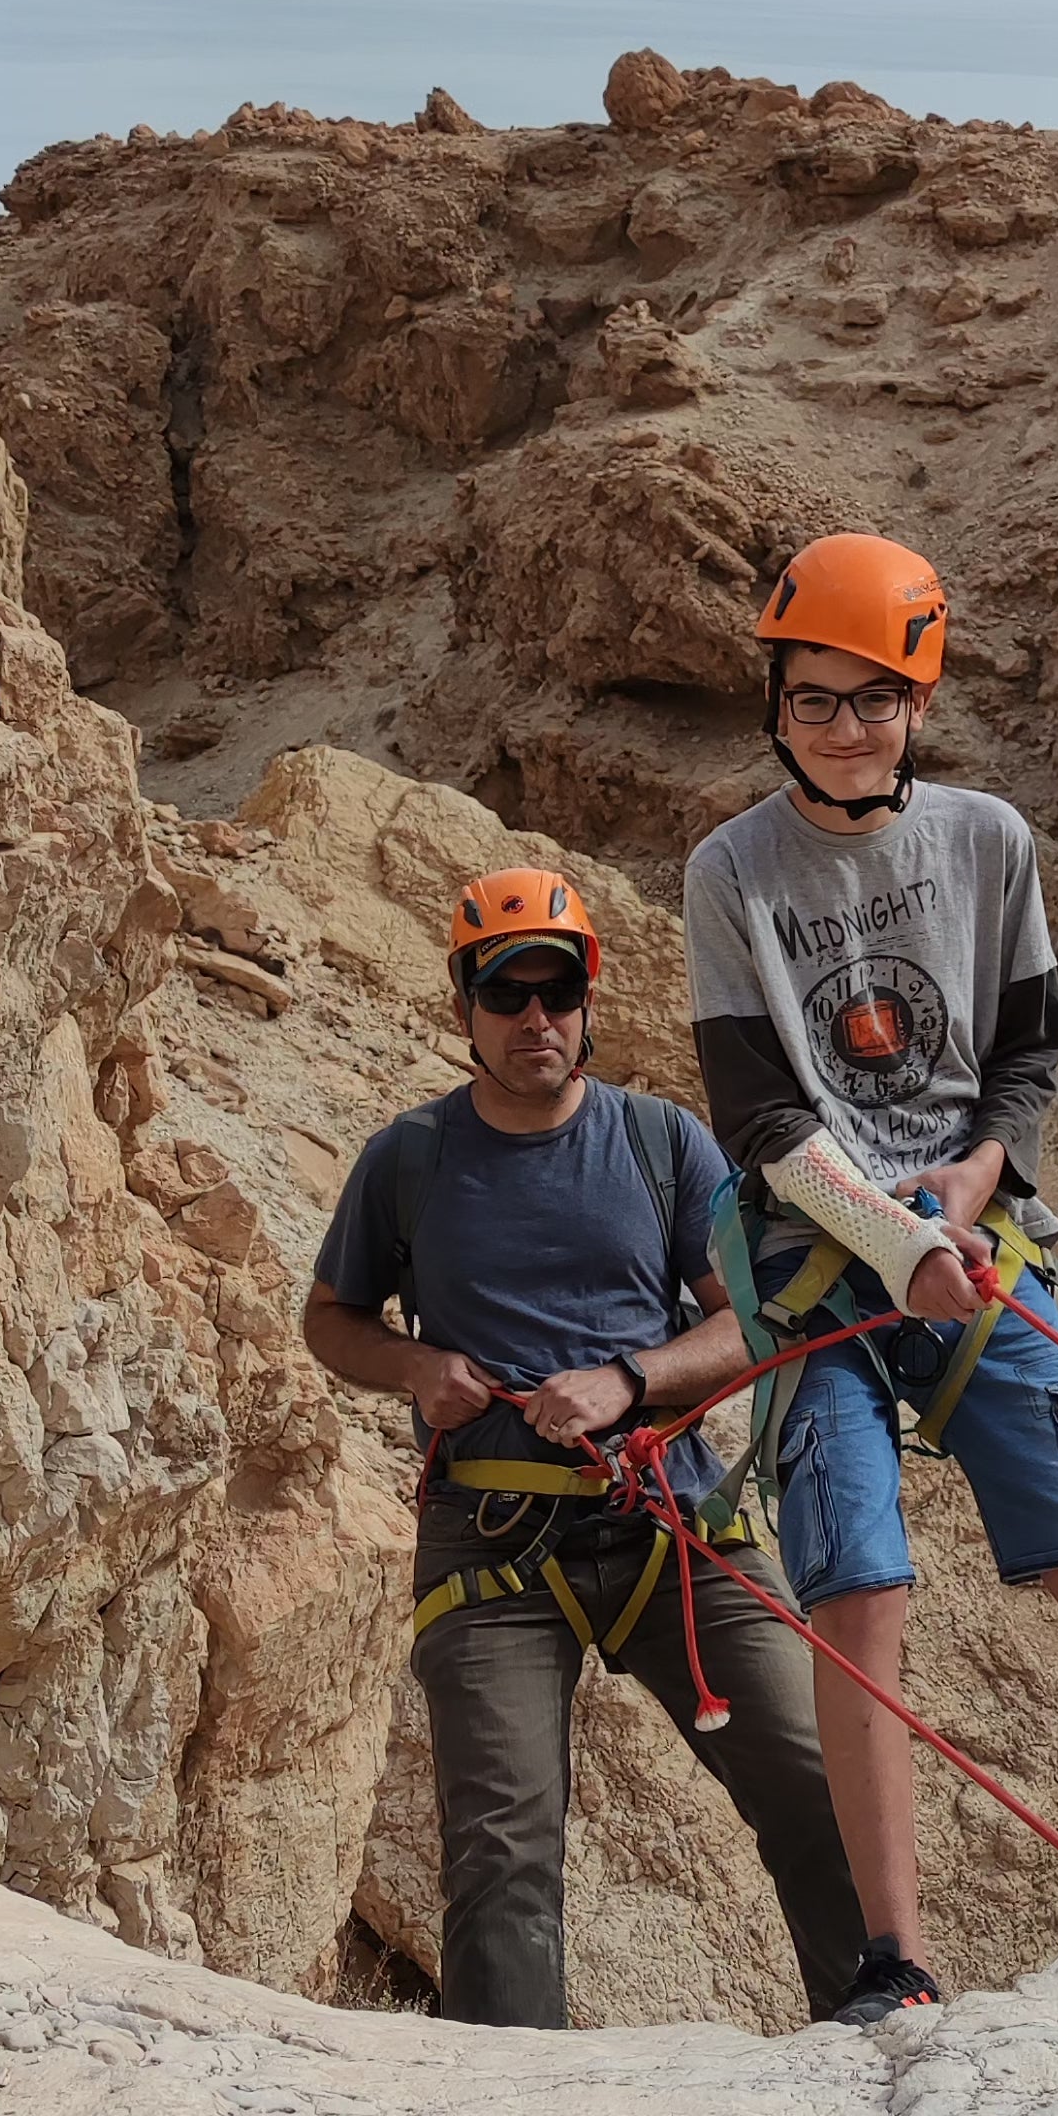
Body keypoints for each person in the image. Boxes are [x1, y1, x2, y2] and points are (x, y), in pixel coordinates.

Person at [683, 532, 1058, 2025]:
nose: (845, 727)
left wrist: (961, 1195)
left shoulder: (985, 841)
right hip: (817, 1267)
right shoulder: (730, 874)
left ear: (916, 703)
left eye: (873, 700)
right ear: (776, 704)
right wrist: (900, 1242)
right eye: (816, 700)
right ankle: (893, 1959)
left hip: (975, 1235)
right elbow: (762, 1117)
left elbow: (1025, 1057)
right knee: (860, 1588)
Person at [303, 864, 867, 2032]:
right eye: (505, 995)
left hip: (667, 1514)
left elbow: (747, 1317)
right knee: (501, 1849)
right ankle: (508, 2110)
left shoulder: (661, 1142)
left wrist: (628, 1379)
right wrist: (416, 1368)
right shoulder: (406, 1161)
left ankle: (879, 2026)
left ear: (589, 1000)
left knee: (814, 1780)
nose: (534, 1020)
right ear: (464, 1008)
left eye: (555, 992)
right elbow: (331, 1317)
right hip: (489, 1538)